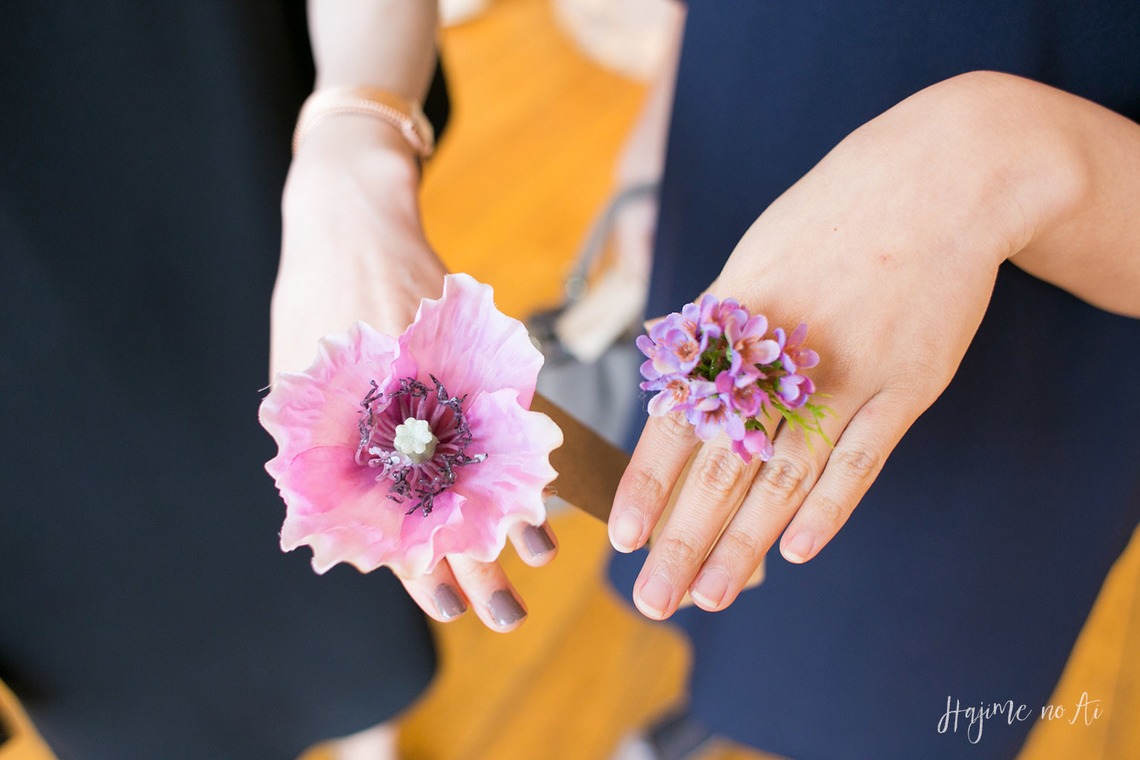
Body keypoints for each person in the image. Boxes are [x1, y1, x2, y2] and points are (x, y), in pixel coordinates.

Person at [1, 2, 560, 758]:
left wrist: (356, 143)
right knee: (117, 658)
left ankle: (368, 723)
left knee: (336, 529)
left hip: (237, 190)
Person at [603, 2, 1140, 758]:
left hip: (1067, 286)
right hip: (754, 131)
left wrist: (1002, 160)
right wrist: (669, 98)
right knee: (726, 546)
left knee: (889, 665)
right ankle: (725, 706)